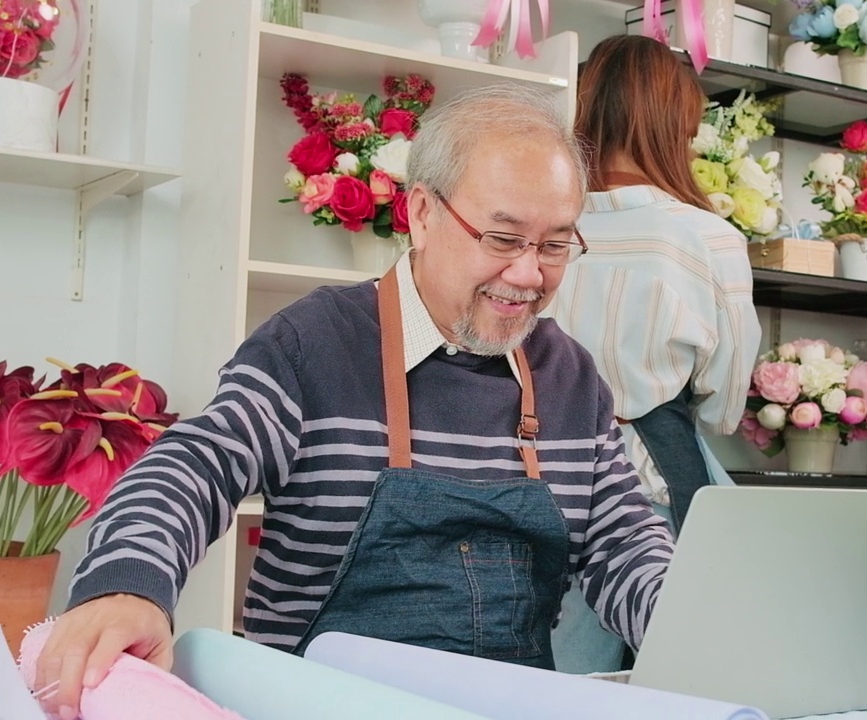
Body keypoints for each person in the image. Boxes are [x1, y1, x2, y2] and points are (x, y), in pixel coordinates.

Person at [34, 84, 675, 720]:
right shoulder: (313, 343)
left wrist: (696, 627)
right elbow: (194, 466)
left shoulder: (569, 375)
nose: (530, 274)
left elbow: (624, 542)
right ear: (422, 214)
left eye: (556, 245)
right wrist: (125, 588)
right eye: (503, 240)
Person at [545, 35, 760, 673]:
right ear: (676, 128)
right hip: (654, 481)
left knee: (556, 678)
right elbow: (724, 408)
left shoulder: (541, 223)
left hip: (533, 471)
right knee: (680, 672)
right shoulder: (708, 237)